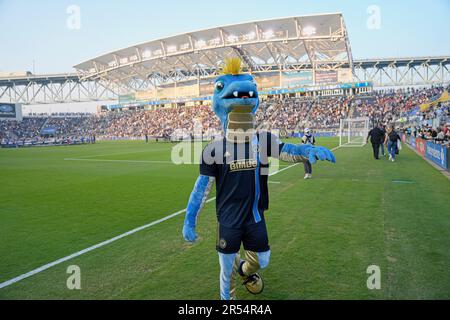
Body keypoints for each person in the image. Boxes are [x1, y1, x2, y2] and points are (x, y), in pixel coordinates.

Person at [181, 57, 336, 300]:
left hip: (254, 216)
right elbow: (201, 189)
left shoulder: (262, 140)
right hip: (229, 218)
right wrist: (190, 219)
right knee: (225, 269)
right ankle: (228, 300)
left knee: (262, 261)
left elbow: (288, 151)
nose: (242, 96)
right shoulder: (214, 149)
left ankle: (244, 269)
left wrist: (308, 150)